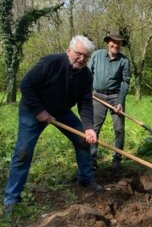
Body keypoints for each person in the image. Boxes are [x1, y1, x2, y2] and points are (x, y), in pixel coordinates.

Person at [3, 35, 103, 214]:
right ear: (68, 51)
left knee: (83, 140)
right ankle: (12, 198)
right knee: (23, 152)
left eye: (86, 56)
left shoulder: (86, 75)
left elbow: (86, 102)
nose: (81, 59)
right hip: (33, 110)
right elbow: (26, 85)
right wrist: (40, 111)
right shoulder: (50, 62)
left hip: (61, 111)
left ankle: (86, 180)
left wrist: (88, 127)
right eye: (78, 54)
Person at [88, 32, 130, 171]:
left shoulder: (123, 61)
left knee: (119, 129)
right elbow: (87, 73)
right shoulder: (97, 55)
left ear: (121, 45)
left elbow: (125, 82)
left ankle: (117, 160)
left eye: (118, 43)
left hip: (115, 97)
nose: (115, 45)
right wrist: (86, 90)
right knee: (94, 129)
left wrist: (120, 101)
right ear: (108, 43)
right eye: (113, 42)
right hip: (97, 97)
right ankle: (92, 160)